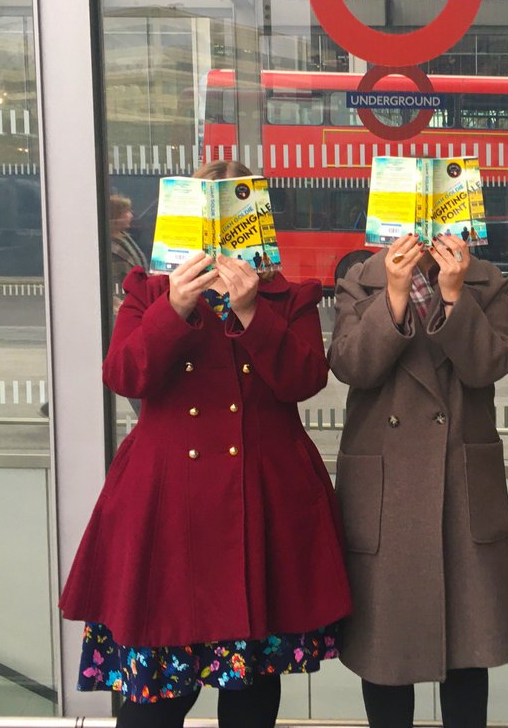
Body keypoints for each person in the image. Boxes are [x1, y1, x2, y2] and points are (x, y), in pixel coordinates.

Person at [59, 160, 351, 728]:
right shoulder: (148, 293)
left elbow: (305, 380)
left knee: (251, 701)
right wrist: (174, 308)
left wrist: (250, 309)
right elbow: (124, 375)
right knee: (156, 703)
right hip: (168, 514)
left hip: (260, 507)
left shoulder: (286, 296)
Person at [329, 230, 508, 727]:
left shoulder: (485, 279)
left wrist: (456, 296)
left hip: (459, 477)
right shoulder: (361, 279)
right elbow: (351, 365)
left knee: (467, 651)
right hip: (387, 486)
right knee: (386, 656)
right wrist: (393, 296)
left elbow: (491, 366)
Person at [109, 194, 147, 315]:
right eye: (126, 212)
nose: (131, 215)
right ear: (115, 216)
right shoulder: (106, 246)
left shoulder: (125, 238)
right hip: (123, 305)